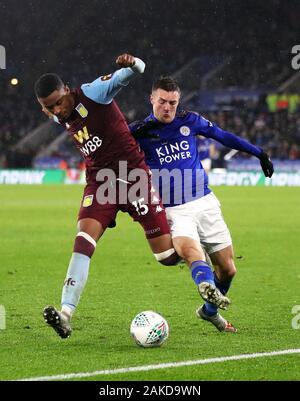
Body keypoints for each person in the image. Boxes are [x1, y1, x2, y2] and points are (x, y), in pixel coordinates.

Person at [34, 55, 185, 339]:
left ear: (67, 90)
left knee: (166, 256)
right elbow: (55, 114)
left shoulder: (93, 92)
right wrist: (53, 112)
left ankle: (192, 244)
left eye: (58, 102)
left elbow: (137, 71)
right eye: (48, 107)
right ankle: (66, 315)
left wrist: (132, 63)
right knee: (83, 240)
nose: (56, 110)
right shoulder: (58, 113)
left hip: (133, 177)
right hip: (100, 183)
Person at [130, 77, 274, 333]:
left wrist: (258, 152)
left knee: (228, 269)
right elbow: (110, 152)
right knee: (191, 251)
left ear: (178, 101)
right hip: (174, 209)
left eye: (172, 103)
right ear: (152, 99)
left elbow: (223, 136)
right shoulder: (139, 131)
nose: (167, 108)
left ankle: (209, 311)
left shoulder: (190, 120)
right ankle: (205, 284)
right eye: (162, 101)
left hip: (205, 202)